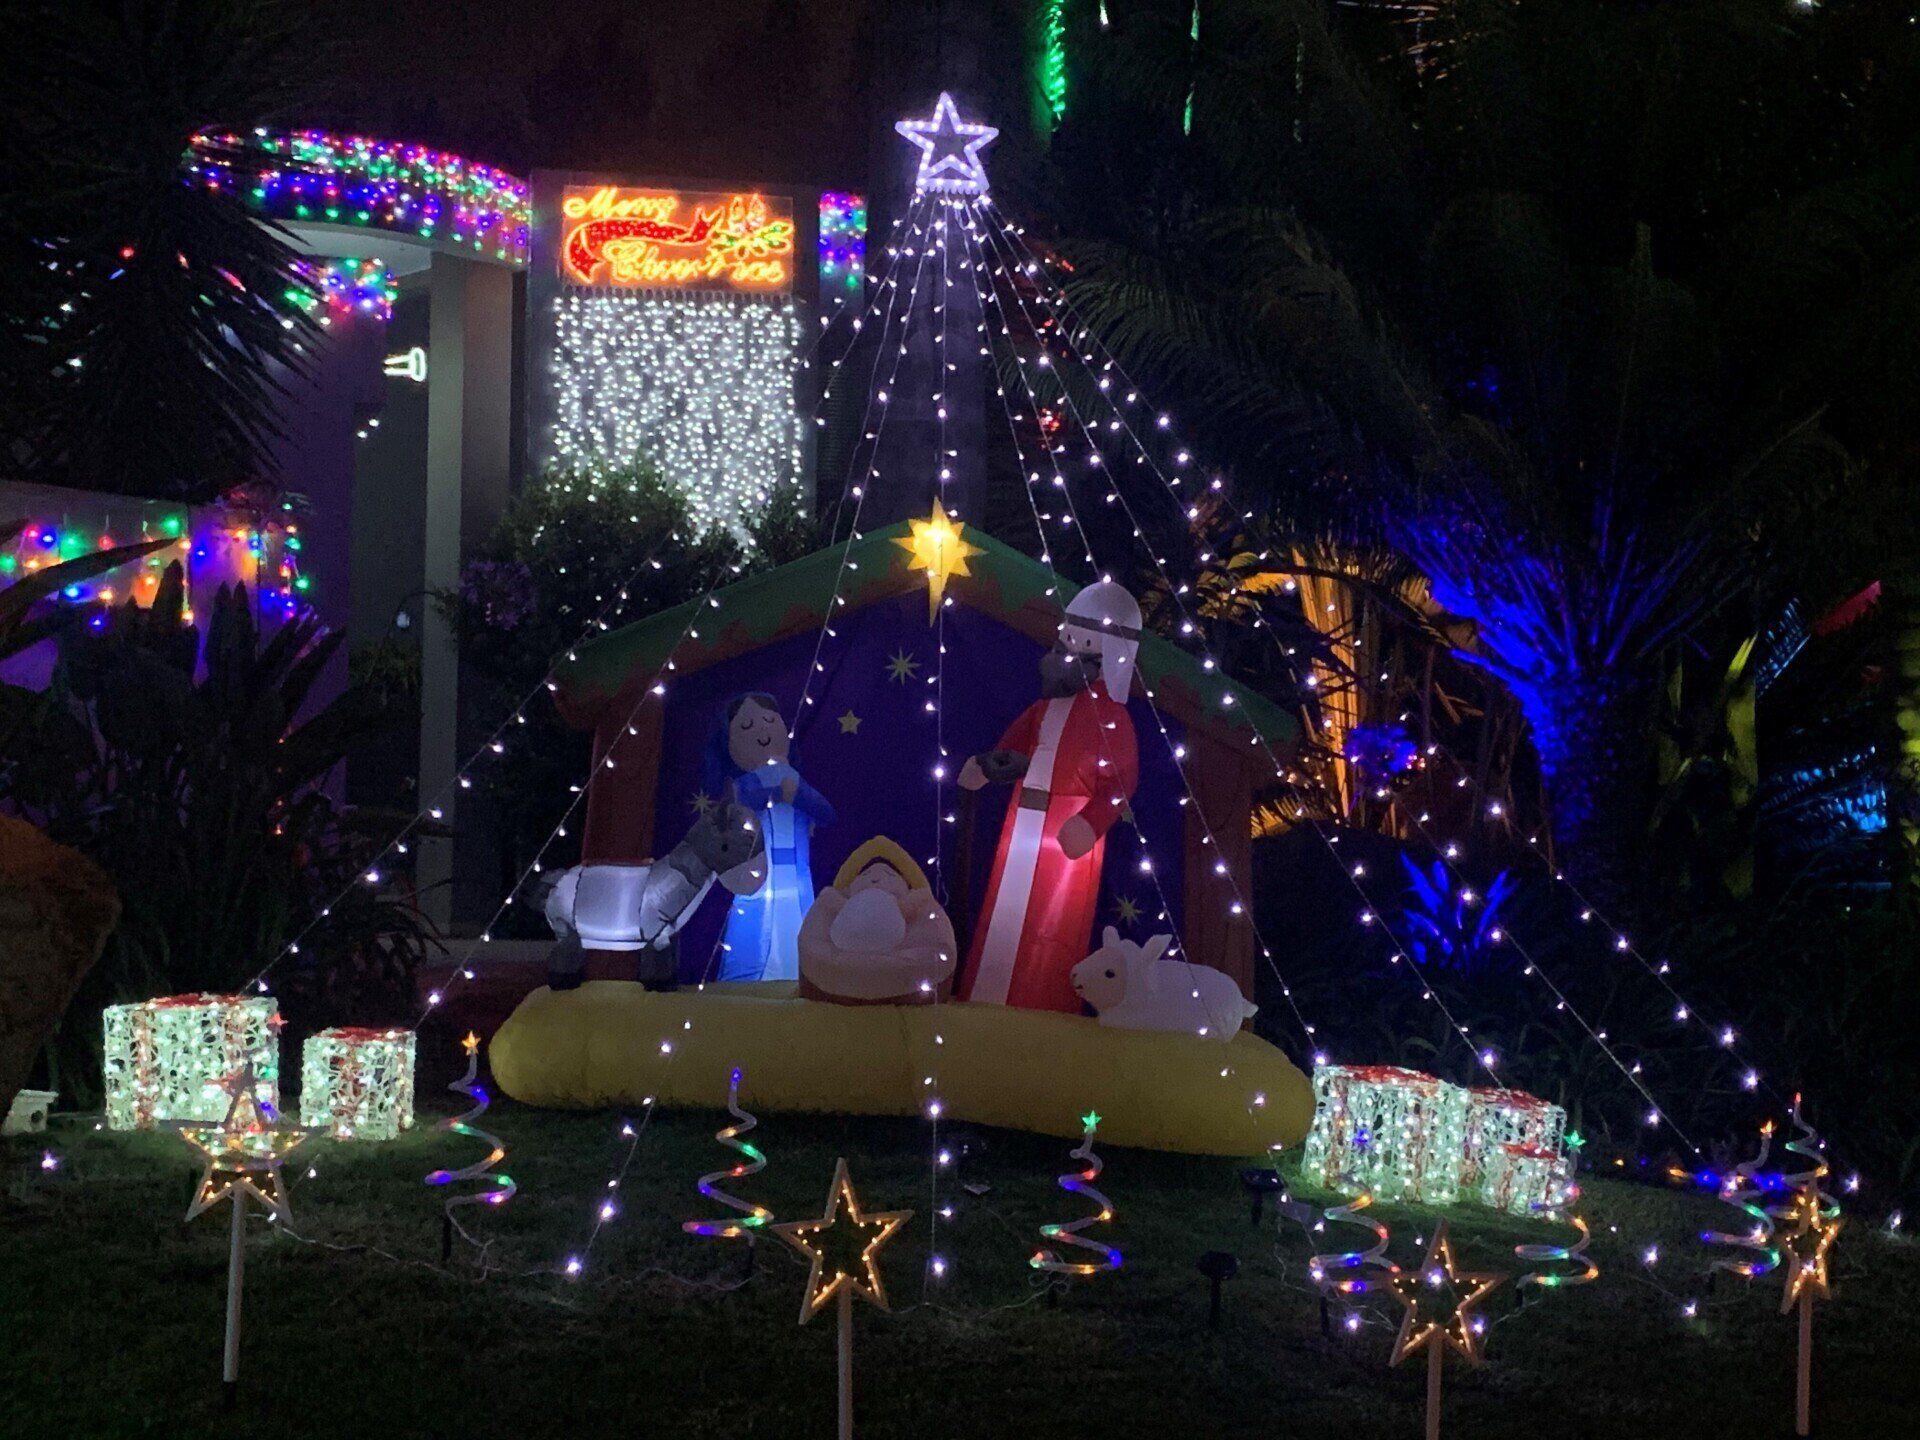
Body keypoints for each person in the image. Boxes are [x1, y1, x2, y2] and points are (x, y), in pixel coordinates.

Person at [957, 581, 1140, 1013]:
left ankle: (1040, 1003)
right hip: (1020, 821)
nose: (1067, 653)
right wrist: (986, 767)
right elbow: (1012, 746)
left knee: (1053, 922)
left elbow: (1121, 783)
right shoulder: (1044, 707)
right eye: (1066, 640)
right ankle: (986, 997)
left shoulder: (1113, 718)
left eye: (1082, 645)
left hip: (1066, 833)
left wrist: (1091, 822)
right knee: (1003, 914)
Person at [703, 692, 834, 982]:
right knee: (752, 936)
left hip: (796, 878)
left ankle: (802, 978)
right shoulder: (742, 785)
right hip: (758, 877)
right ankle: (744, 984)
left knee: (798, 933)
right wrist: (776, 793)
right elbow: (734, 809)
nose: (762, 729)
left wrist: (796, 793)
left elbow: (826, 813)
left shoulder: (795, 779)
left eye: (769, 720)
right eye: (746, 725)